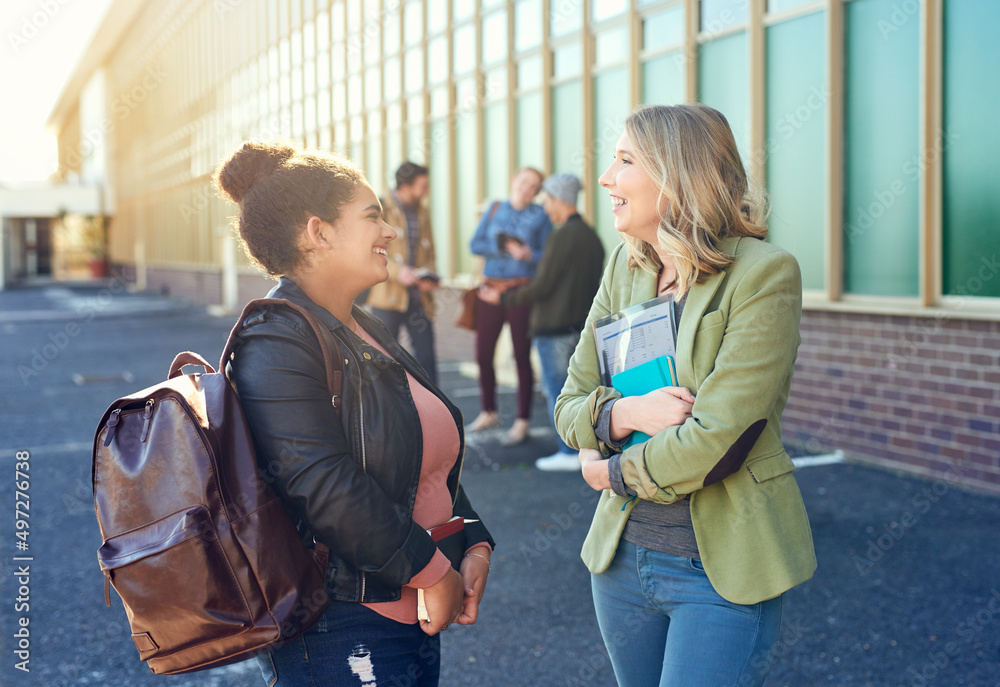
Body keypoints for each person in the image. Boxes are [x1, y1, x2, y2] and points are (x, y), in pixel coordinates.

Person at [554, 104, 817, 686]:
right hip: (622, 562)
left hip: (719, 569)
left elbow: (716, 440)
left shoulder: (763, 274)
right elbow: (569, 404)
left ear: (677, 174)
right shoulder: (627, 265)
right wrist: (625, 412)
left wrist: (609, 471)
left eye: (624, 161)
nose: (606, 179)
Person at [216, 141, 494, 687]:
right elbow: (321, 484)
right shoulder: (276, 337)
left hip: (402, 609)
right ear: (318, 233)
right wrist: (432, 571)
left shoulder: (359, 324)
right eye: (373, 217)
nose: (389, 232)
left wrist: (473, 540)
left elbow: (418, 454)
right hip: (342, 622)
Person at [479, 173, 604, 471]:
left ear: (561, 200)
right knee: (581, 392)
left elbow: (543, 285)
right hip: (579, 327)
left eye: (547, 200)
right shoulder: (592, 237)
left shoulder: (561, 237)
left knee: (559, 392)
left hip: (554, 328)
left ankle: (568, 451)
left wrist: (503, 300)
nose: (546, 208)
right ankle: (583, 450)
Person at [467, 168, 552, 446]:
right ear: (513, 179)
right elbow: (474, 244)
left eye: (534, 187)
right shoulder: (493, 209)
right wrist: (502, 247)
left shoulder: (541, 216)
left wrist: (529, 254)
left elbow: (549, 256)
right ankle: (488, 411)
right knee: (482, 353)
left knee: (520, 356)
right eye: (524, 182)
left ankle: (522, 421)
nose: (527, 189)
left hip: (521, 291)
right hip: (491, 289)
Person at [367, 161, 440, 384]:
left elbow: (430, 253)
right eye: (423, 186)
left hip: (419, 296)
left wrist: (431, 277)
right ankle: (389, 410)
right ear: (405, 187)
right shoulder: (379, 210)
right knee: (385, 358)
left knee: (427, 357)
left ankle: (437, 411)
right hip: (387, 295)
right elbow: (368, 250)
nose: (427, 191)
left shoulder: (423, 211)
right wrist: (398, 272)